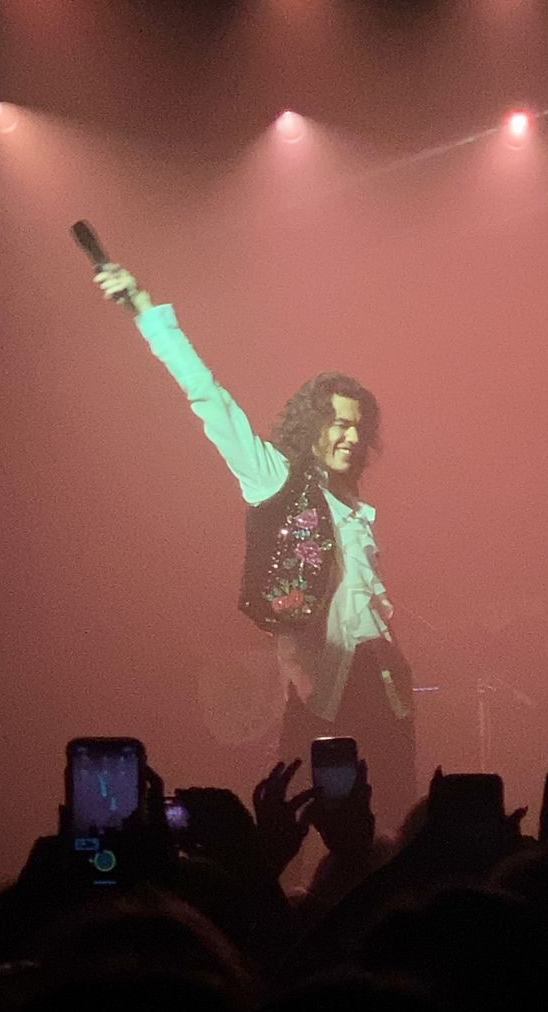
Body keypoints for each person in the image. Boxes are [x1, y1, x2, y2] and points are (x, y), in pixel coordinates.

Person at [93, 265, 416, 834]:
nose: (351, 436)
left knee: (392, 817)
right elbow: (208, 397)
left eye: (359, 427)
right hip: (324, 689)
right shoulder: (276, 479)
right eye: (338, 424)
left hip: (383, 684)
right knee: (300, 821)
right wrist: (146, 311)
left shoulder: (357, 506)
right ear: (312, 426)